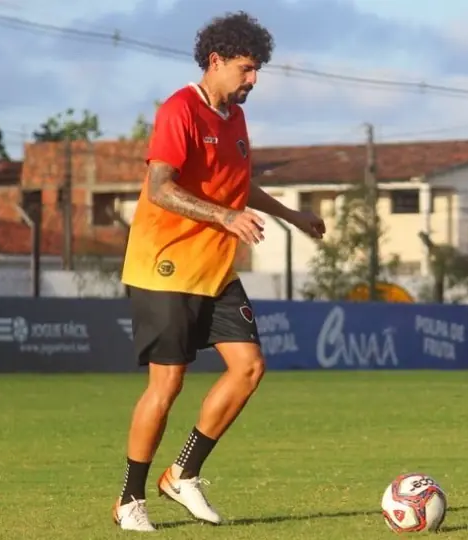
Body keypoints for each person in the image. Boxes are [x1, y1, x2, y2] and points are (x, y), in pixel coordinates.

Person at [111, 12, 326, 532]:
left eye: (257, 70)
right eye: (246, 68)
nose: (253, 80)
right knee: (167, 385)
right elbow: (161, 187)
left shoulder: (235, 118)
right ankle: (130, 499)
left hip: (215, 267)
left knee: (249, 368)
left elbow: (237, 184)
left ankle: (182, 473)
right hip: (164, 267)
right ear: (216, 61)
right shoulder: (179, 110)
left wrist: (292, 215)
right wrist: (226, 217)